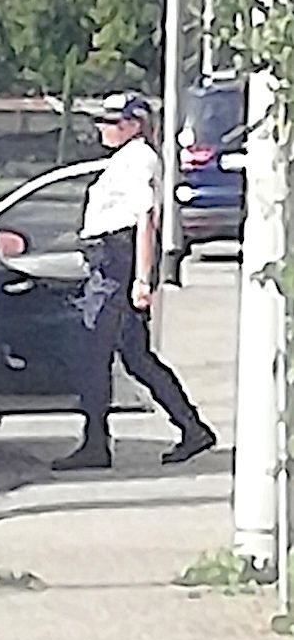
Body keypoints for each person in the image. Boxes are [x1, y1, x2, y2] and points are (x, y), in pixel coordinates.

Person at [54, 92, 216, 471]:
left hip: (117, 264)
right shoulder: (124, 159)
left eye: (110, 122)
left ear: (133, 125)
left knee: (93, 352)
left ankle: (96, 443)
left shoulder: (140, 158)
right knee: (135, 357)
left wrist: (142, 279)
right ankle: (191, 428)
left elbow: (146, 219)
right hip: (110, 262)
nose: (101, 128)